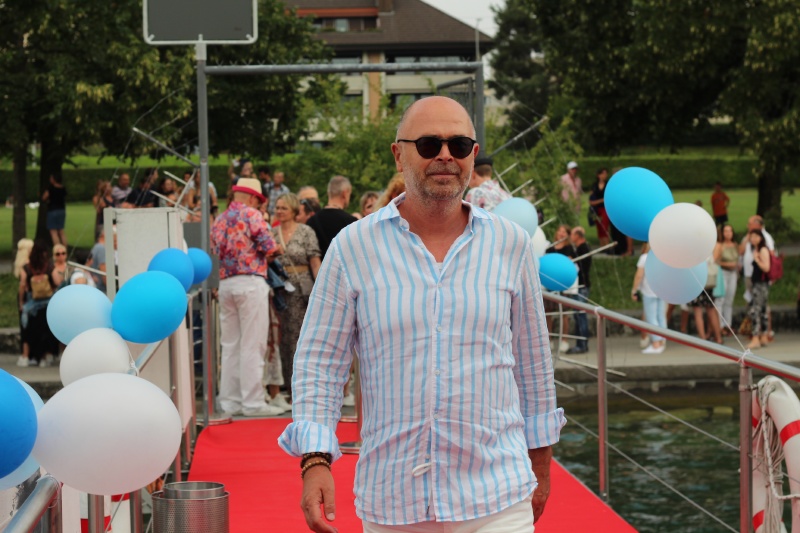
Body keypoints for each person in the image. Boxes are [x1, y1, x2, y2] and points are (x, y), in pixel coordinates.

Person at [279, 96, 564, 533]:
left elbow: (532, 361)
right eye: (429, 144)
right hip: (394, 500)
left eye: (459, 145)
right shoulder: (353, 247)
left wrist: (540, 462)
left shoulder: (510, 244)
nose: (445, 155)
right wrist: (315, 460)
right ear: (399, 155)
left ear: (472, 154)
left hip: (497, 495)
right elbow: (319, 362)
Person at [210, 178, 284, 417]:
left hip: (225, 283)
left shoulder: (220, 220)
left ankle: (230, 401)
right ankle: (252, 402)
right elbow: (270, 247)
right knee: (253, 344)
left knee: (230, 345)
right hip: (250, 282)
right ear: (253, 197)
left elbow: (214, 252)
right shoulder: (252, 215)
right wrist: (278, 248)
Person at [273, 193, 322, 401]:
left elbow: (315, 262)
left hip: (302, 292)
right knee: (283, 340)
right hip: (279, 292)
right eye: (277, 207)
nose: (279, 211)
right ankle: (288, 386)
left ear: (293, 210)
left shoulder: (305, 232)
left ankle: (302, 388)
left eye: (283, 208)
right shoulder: (272, 233)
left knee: (300, 339)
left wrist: (321, 289)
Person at [18, 241, 59, 367]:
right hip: (47, 303)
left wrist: (21, 302)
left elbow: (22, 284)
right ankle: (46, 356)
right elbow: (57, 281)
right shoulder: (49, 266)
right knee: (45, 331)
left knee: (30, 330)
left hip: (32, 304)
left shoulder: (27, 267)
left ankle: (28, 356)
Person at [305, 175, 358, 260]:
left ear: (328, 193)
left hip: (319, 267)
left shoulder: (312, 221)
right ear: (345, 193)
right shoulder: (351, 222)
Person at [545, 224, 575, 353]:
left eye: (564, 232)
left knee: (564, 314)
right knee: (548, 313)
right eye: (560, 231)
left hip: (564, 285)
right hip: (549, 285)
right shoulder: (550, 248)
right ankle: (549, 340)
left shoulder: (570, 249)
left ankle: (564, 340)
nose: (561, 233)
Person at [631, 244, 667, 354]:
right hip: (663, 291)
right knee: (661, 317)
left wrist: (634, 290)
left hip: (649, 291)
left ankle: (656, 344)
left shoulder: (644, 258)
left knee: (651, 317)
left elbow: (639, 276)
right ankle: (662, 341)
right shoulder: (663, 257)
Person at [746, 229, 771, 349]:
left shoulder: (763, 250)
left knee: (755, 310)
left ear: (761, 238)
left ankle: (756, 337)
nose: (753, 239)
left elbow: (766, 268)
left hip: (761, 284)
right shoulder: (756, 249)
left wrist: (757, 260)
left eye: (756, 236)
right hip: (757, 283)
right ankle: (764, 336)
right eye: (752, 236)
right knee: (762, 309)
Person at [567, 227, 591, 354]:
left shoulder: (583, 249)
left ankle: (582, 344)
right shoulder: (580, 248)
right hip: (579, 286)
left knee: (580, 315)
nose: (570, 237)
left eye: (572, 234)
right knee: (578, 315)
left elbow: (582, 267)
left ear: (578, 236)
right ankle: (580, 343)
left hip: (582, 286)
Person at [714, 224, 740, 335]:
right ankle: (719, 325)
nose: (728, 233)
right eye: (726, 231)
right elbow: (716, 260)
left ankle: (728, 324)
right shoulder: (720, 246)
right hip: (723, 273)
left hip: (733, 273)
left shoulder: (735, 245)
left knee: (729, 299)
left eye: (730, 231)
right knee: (721, 299)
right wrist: (727, 264)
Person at [14, 239, 34, 367]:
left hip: (25, 296)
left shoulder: (20, 264)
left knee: (25, 325)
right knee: (27, 324)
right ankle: (27, 354)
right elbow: (23, 285)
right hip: (28, 296)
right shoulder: (28, 265)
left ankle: (25, 353)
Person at [42, 174, 67, 246]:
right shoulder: (63, 188)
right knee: (61, 231)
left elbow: (44, 197)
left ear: (54, 179)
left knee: (53, 232)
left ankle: (57, 249)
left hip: (52, 210)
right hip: (61, 210)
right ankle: (64, 248)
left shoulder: (51, 188)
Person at [588, 168, 611, 246]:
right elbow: (591, 198)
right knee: (599, 226)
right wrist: (601, 200)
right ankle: (602, 244)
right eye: (603, 173)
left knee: (605, 225)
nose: (605, 175)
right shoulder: (594, 185)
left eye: (606, 174)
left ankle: (607, 243)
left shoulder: (608, 184)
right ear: (599, 175)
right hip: (597, 208)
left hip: (605, 208)